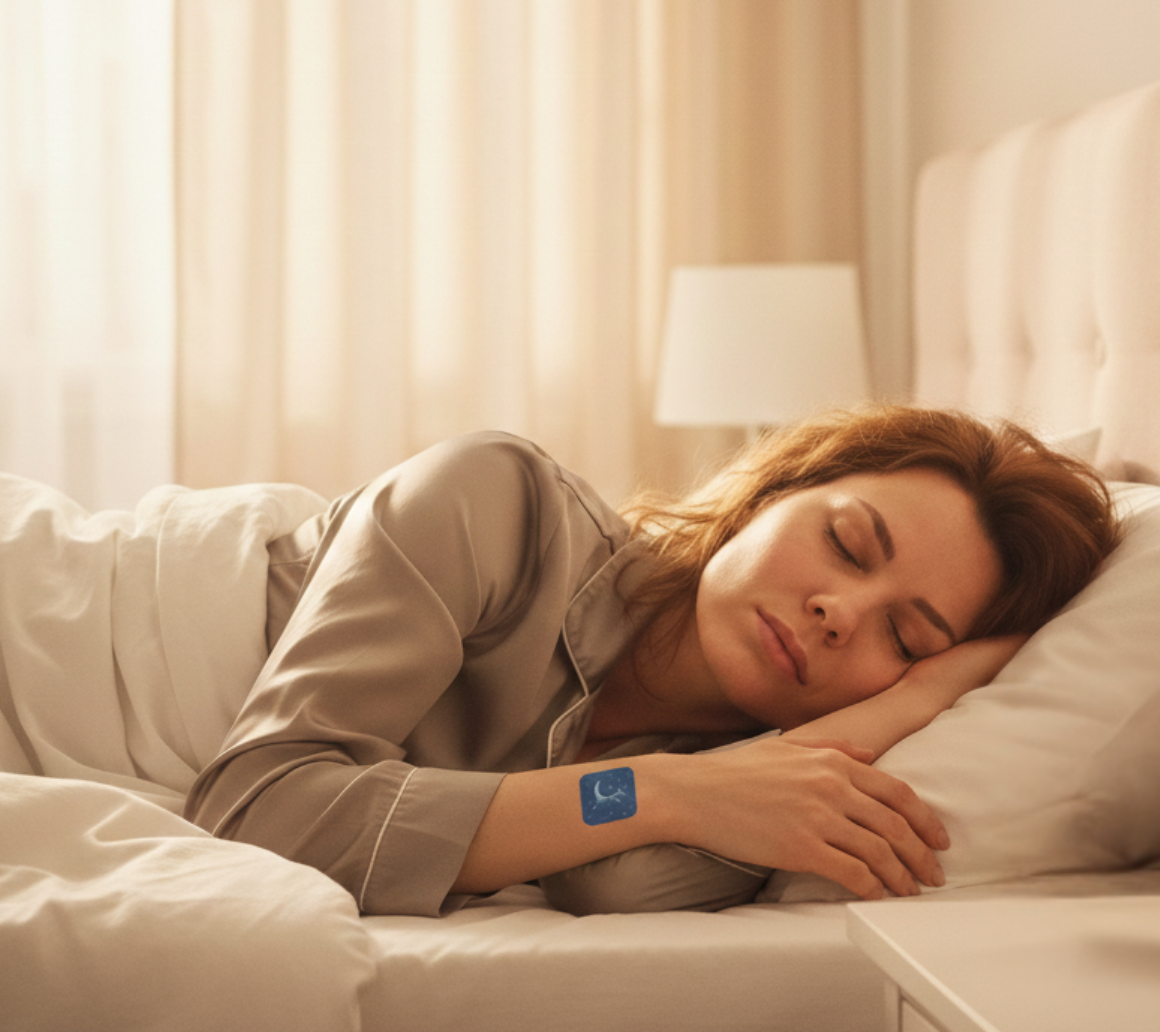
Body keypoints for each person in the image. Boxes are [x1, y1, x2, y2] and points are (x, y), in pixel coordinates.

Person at [184, 405, 1120, 917]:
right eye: (845, 543)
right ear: (773, 492)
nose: (840, 613)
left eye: (905, 640)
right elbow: (261, 808)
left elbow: (614, 883)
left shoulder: (737, 774)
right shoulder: (501, 503)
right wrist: (666, 793)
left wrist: (910, 705)